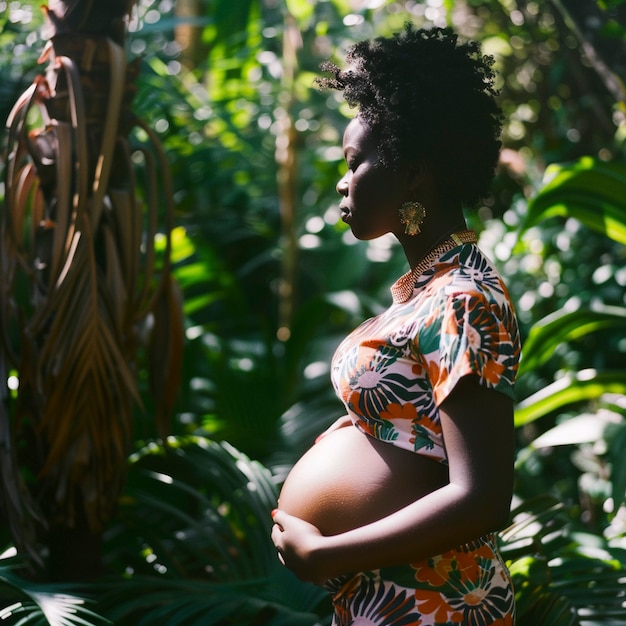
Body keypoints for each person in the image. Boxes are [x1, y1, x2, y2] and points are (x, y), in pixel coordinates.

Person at [271, 23, 521, 626]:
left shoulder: (462, 298)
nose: (341, 180)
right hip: (392, 598)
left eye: (355, 163)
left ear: (412, 173)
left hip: (435, 601)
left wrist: (326, 552)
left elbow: (482, 497)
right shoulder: (427, 292)